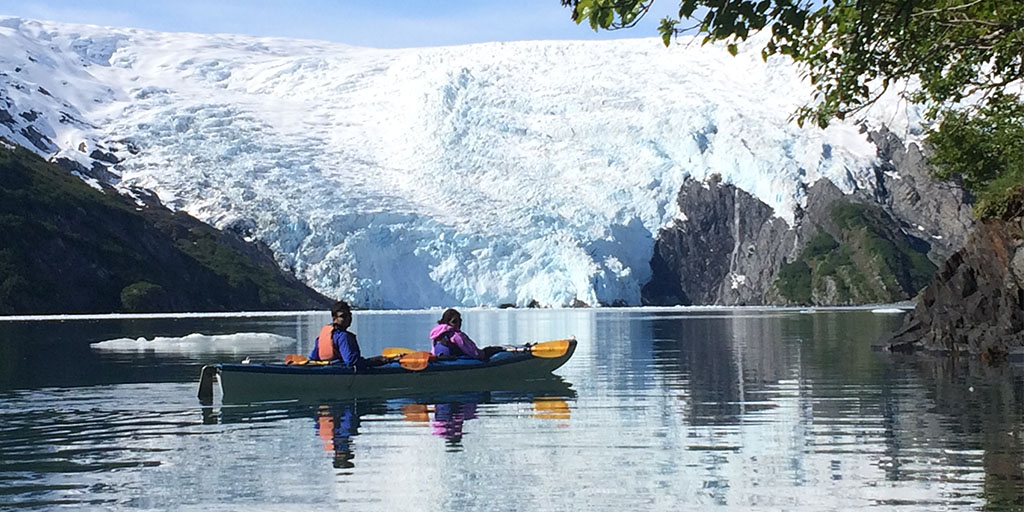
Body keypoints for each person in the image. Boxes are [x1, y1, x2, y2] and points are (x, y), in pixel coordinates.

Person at [309, 301, 386, 368]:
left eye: (349, 315)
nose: (348, 318)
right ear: (334, 318)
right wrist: (376, 361)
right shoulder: (343, 337)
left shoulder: (322, 336)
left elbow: (313, 358)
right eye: (343, 316)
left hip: (329, 370)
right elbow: (352, 362)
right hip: (340, 373)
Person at [429, 308, 502, 360]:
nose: (459, 323)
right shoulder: (456, 336)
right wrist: (486, 352)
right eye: (454, 321)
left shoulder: (437, 335)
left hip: (442, 360)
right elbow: (475, 353)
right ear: (447, 322)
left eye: (460, 320)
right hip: (454, 362)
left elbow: (433, 351)